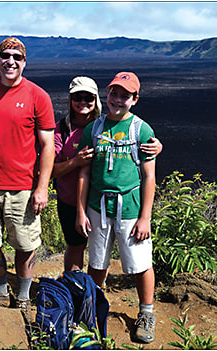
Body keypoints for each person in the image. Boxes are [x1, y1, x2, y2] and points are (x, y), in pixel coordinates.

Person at [76, 72, 157, 343]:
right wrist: (80, 210)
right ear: (107, 94)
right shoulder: (94, 129)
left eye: (125, 95)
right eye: (114, 93)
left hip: (130, 209)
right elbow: (84, 173)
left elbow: (149, 176)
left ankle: (146, 312)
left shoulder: (141, 130)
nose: (118, 100)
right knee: (97, 261)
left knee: (140, 263)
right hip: (98, 206)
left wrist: (145, 217)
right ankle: (92, 309)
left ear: (135, 99)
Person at [0, 37, 55, 311]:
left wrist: (41, 187)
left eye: (17, 57)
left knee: (25, 244)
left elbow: (47, 147)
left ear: (24, 62)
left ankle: (22, 294)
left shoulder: (38, 96)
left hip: (23, 187)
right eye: (5, 56)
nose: (11, 61)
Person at [53, 76, 162, 271]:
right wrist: (75, 162)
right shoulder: (61, 130)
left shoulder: (103, 126)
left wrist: (157, 147)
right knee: (78, 246)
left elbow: (136, 145)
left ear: (96, 99)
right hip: (73, 199)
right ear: (70, 100)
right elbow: (48, 169)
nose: (83, 102)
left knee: (101, 255)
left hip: (104, 202)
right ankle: (76, 291)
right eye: (78, 97)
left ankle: (95, 293)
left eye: (88, 98)